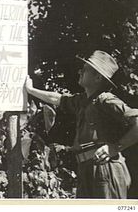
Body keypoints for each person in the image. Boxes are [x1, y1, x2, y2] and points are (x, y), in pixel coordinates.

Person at [24, 50, 138, 198]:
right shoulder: (83, 101)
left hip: (105, 169)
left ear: (97, 77)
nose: (79, 71)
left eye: (84, 70)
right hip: (86, 169)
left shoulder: (106, 100)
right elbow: (57, 98)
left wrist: (115, 147)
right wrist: (30, 90)